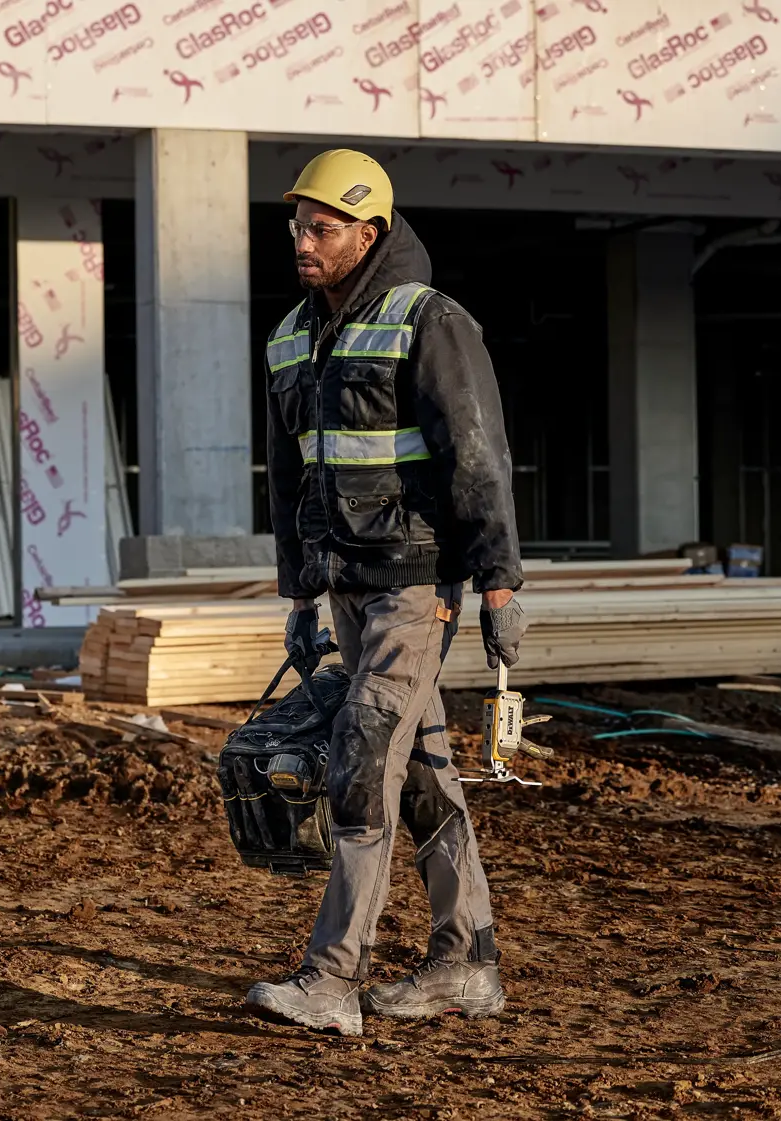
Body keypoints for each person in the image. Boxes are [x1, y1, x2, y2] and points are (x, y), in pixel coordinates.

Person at [245, 149, 526, 1036]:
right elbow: (288, 481)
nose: (302, 240)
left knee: (362, 764)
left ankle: (331, 979)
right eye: (297, 225)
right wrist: (299, 593)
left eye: (321, 227)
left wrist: (498, 579)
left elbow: (476, 454)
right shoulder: (291, 335)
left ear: (368, 233)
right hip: (345, 587)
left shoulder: (427, 321)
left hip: (415, 586)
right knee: (423, 778)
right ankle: (467, 962)